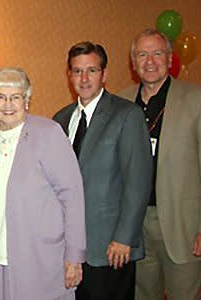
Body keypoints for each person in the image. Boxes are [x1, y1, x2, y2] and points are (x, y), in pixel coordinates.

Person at [118, 29, 201, 300]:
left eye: (157, 53)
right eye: (142, 54)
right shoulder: (120, 102)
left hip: (185, 225)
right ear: (133, 62)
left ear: (170, 59)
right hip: (135, 227)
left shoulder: (199, 101)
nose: (150, 61)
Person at [0, 67, 86, 299]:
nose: (8, 104)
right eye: (1, 97)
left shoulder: (49, 133)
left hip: (40, 258)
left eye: (16, 97)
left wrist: (74, 256)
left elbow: (73, 198)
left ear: (27, 100)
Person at [53, 41, 152, 300]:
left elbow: (138, 181)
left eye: (92, 70)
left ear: (104, 74)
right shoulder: (60, 120)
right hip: (70, 246)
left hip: (111, 247)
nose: (84, 78)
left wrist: (124, 237)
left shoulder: (127, 115)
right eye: (77, 71)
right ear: (69, 75)